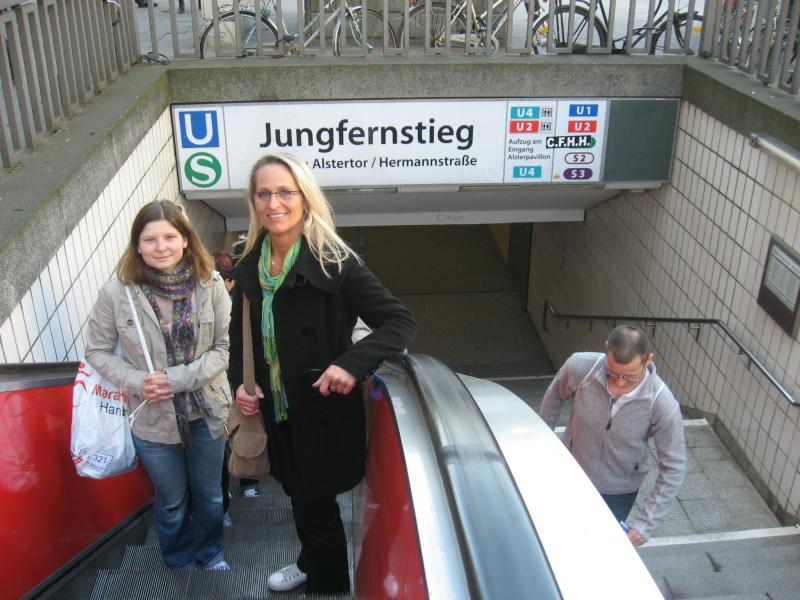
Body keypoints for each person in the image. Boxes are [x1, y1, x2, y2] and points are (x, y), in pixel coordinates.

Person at [228, 152, 416, 594]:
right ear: (253, 201)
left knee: (316, 499)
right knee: (297, 492)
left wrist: (350, 364)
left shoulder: (335, 261)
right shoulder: (251, 264)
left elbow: (399, 322)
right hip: (277, 406)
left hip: (322, 406)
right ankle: (312, 563)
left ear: (305, 197)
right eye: (263, 194)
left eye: (285, 192)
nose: (274, 203)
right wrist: (241, 384)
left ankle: (327, 581)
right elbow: (240, 337)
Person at [85, 200, 232, 571]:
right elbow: (97, 351)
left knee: (210, 494)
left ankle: (210, 553)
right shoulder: (116, 293)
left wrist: (175, 380)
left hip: (206, 410)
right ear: (137, 245)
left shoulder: (210, 284)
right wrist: (136, 381)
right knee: (171, 500)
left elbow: (222, 349)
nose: (161, 246)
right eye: (150, 239)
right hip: (151, 417)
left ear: (185, 240)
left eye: (169, 237)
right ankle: (178, 558)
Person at [539, 324, 686, 547]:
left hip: (618, 493)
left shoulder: (661, 403)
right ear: (606, 349)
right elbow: (553, 398)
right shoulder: (581, 367)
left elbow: (674, 466)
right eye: (612, 372)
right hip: (570, 476)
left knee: (597, 548)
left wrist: (645, 523)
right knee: (558, 540)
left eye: (630, 377)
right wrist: (542, 444)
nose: (619, 382)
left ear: (648, 360)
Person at [213, 249, 261, 500]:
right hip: (219, 375)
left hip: (234, 372)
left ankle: (246, 479)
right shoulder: (214, 294)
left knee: (243, 423)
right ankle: (236, 485)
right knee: (232, 427)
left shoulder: (239, 292)